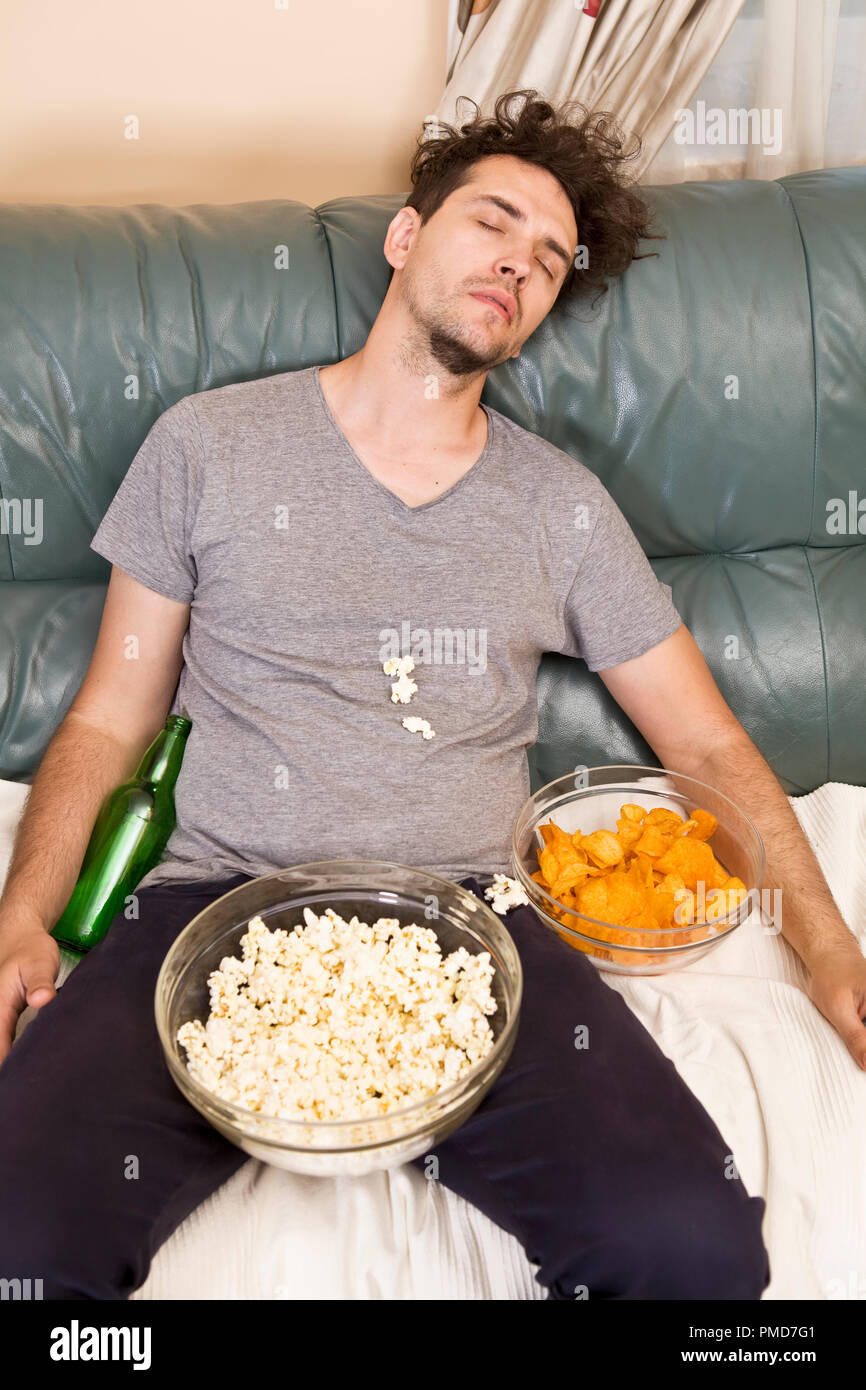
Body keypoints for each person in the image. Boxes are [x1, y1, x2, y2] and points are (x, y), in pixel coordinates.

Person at [3, 87, 858, 1302]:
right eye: (491, 223)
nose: (516, 264)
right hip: (205, 912)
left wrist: (827, 949)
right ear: (406, 237)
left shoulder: (560, 507)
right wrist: (23, 913)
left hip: (473, 928)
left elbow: (705, 743)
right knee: (19, 1252)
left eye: (548, 260)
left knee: (691, 1252)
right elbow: (104, 719)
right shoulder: (208, 444)